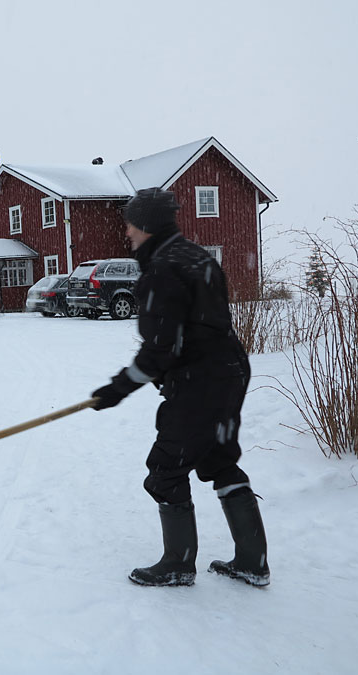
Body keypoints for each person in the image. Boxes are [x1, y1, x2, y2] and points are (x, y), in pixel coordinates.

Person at [90, 187, 269, 587]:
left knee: (165, 469)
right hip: (228, 372)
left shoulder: (162, 269)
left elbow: (160, 349)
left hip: (199, 381)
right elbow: (193, 330)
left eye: (132, 225)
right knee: (217, 458)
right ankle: (252, 561)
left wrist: (117, 389)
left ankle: (177, 563)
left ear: (148, 225)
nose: (128, 234)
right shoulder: (196, 256)